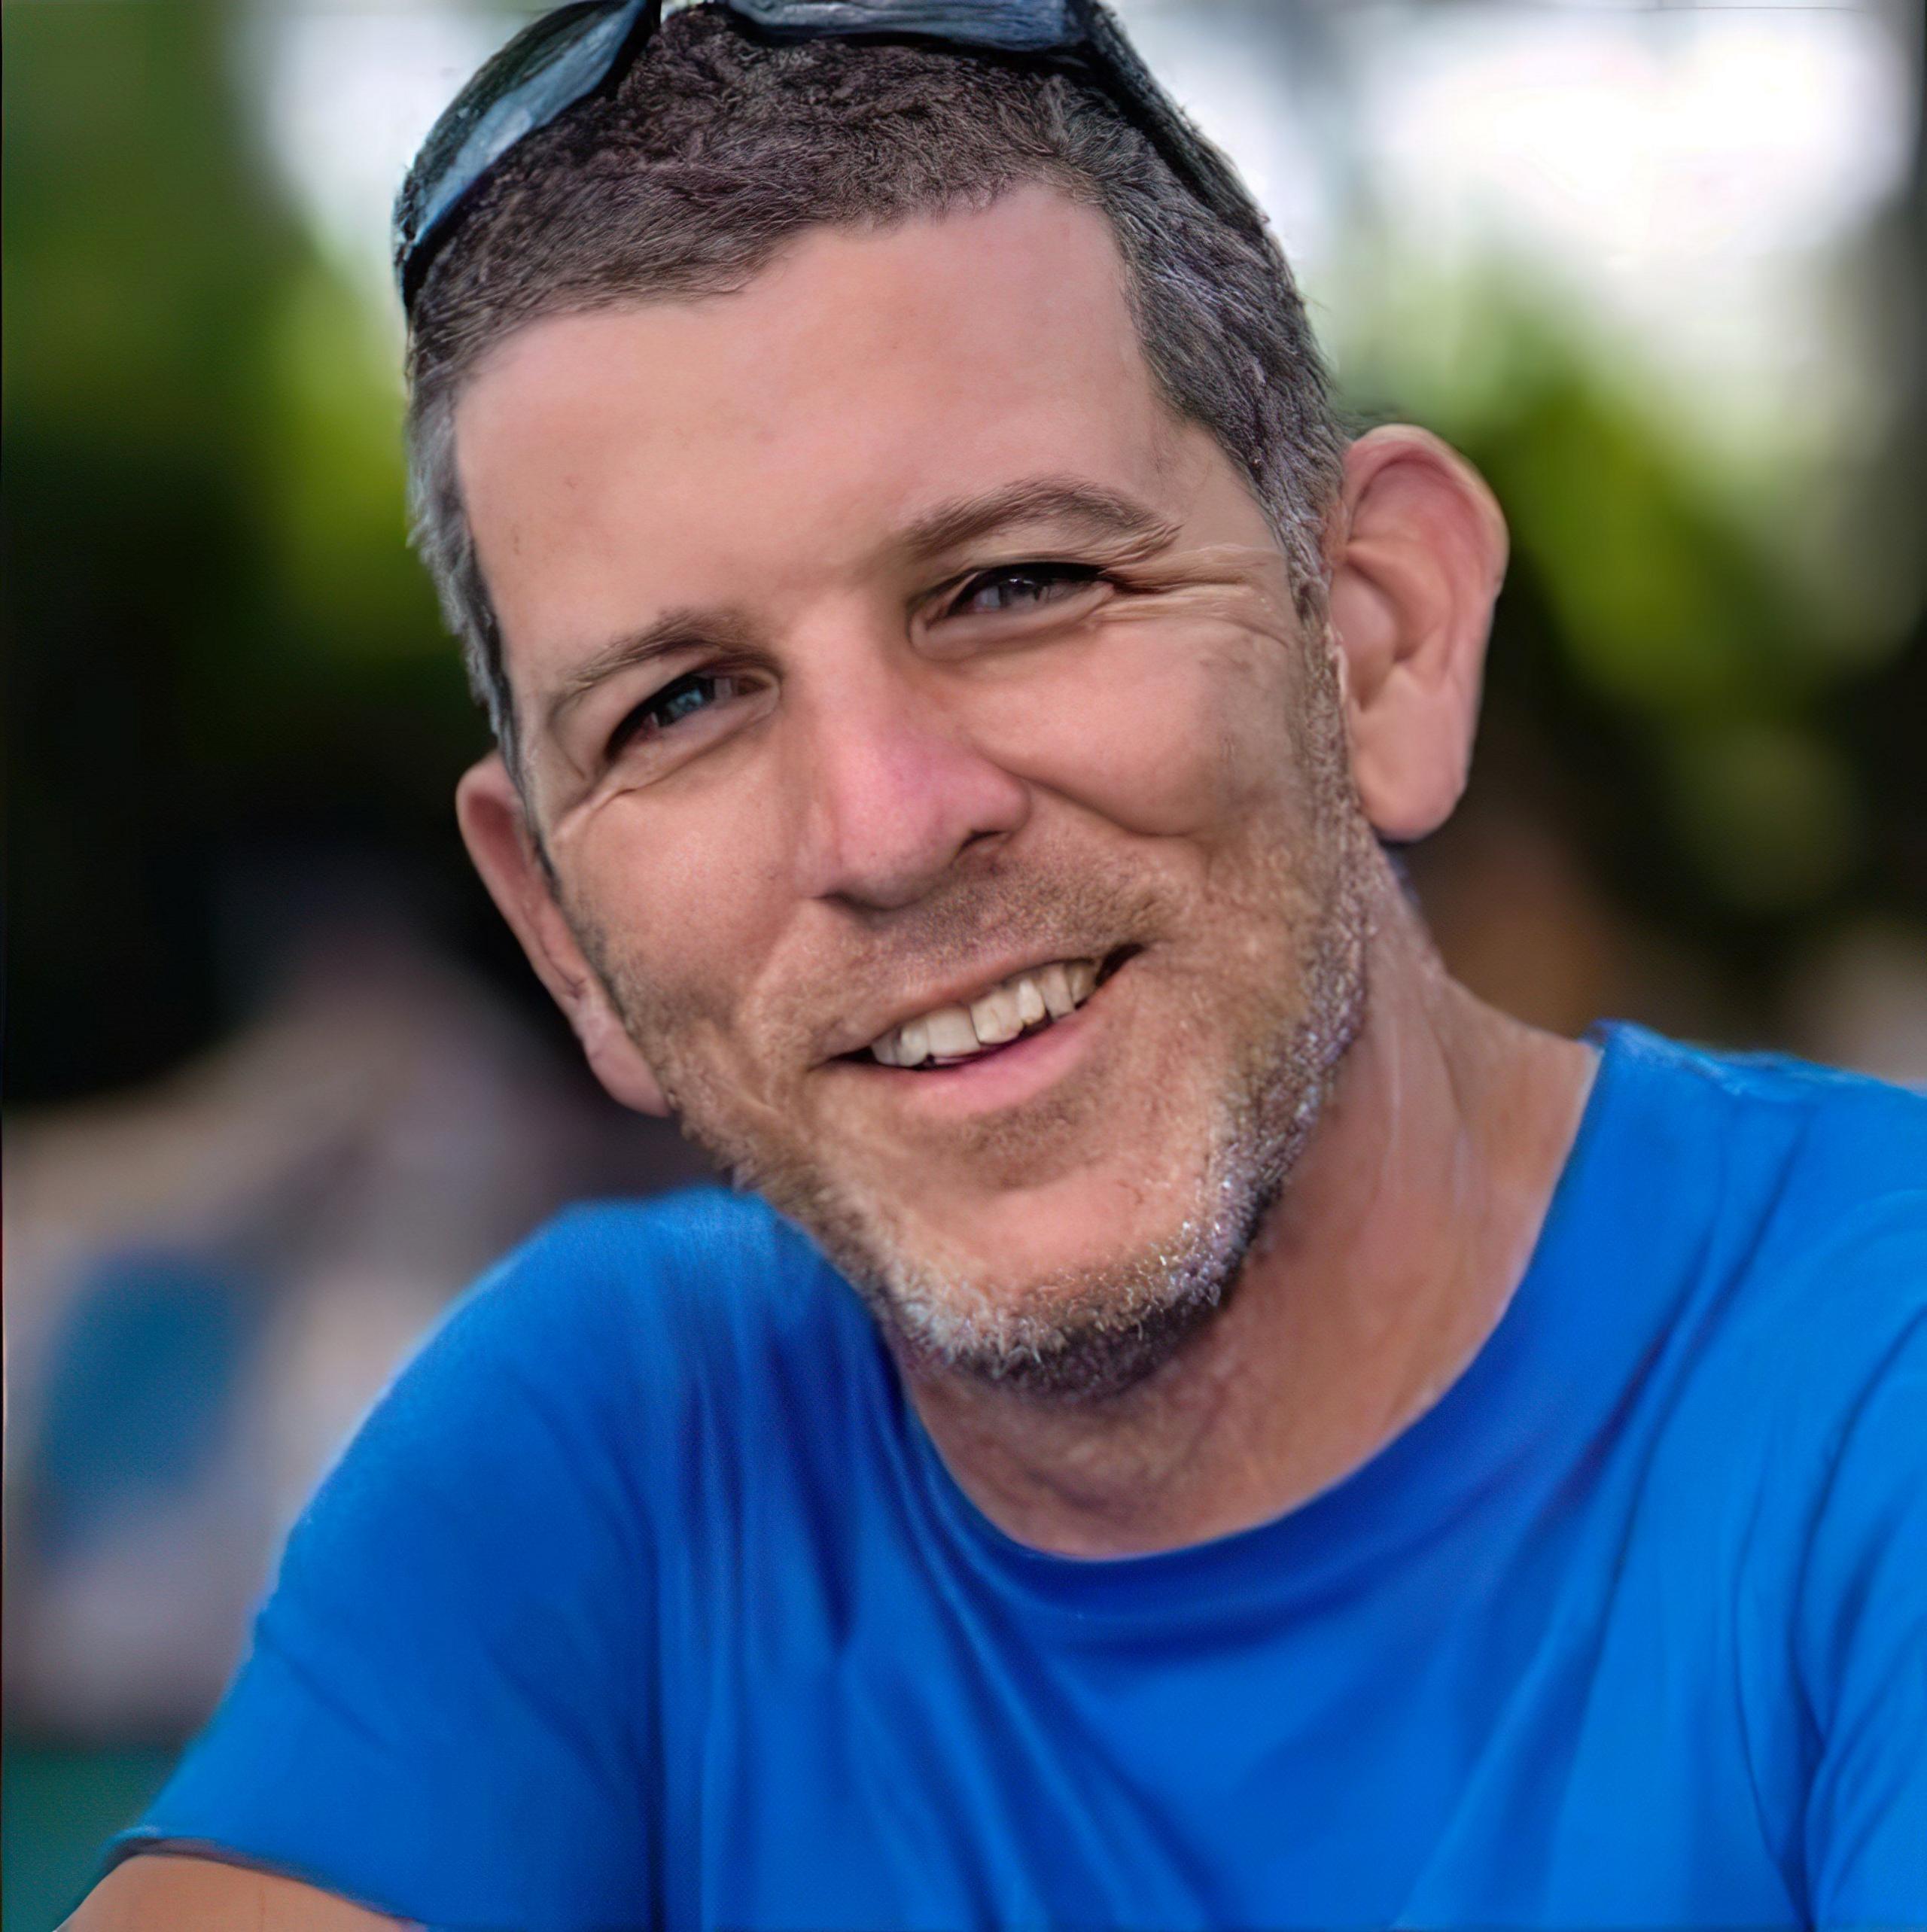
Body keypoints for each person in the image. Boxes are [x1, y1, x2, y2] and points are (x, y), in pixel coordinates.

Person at [75, 4, 1925, 1928]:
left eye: (1017, 585)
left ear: (1373, 639)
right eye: (684, 704)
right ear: (564, 936)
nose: (885, 827)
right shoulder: (621, 1441)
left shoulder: (1871, 1380)